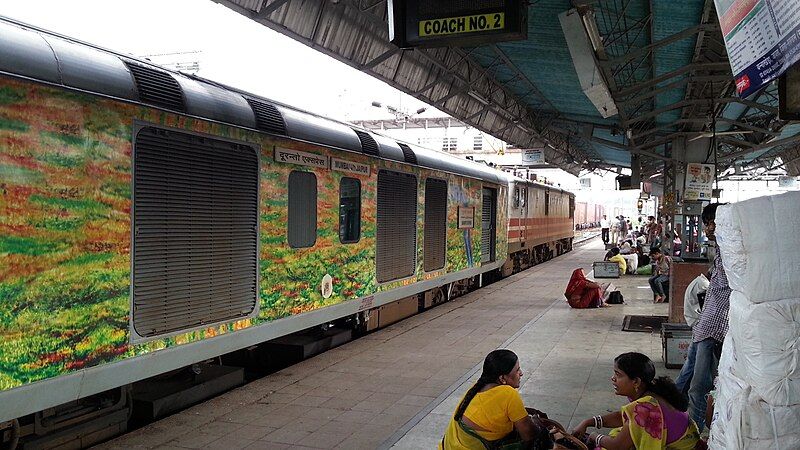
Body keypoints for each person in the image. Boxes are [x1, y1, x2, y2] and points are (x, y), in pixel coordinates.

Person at [571, 352, 701, 450]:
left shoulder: (645, 406)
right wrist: (588, 422)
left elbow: (618, 446)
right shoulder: (647, 391)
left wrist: (593, 436)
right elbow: (625, 417)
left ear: (636, 381)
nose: (613, 378)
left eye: (618, 375)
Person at [439, 350, 552, 449]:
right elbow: (528, 435)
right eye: (517, 370)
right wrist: (539, 426)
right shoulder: (508, 393)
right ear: (502, 378)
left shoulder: (476, 388)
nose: (521, 373)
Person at [685, 203, 730, 432]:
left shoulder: (730, 249)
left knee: (699, 385)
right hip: (708, 324)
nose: (709, 227)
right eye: (706, 223)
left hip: (715, 325)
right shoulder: (722, 250)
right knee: (692, 375)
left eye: (714, 222)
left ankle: (693, 434)